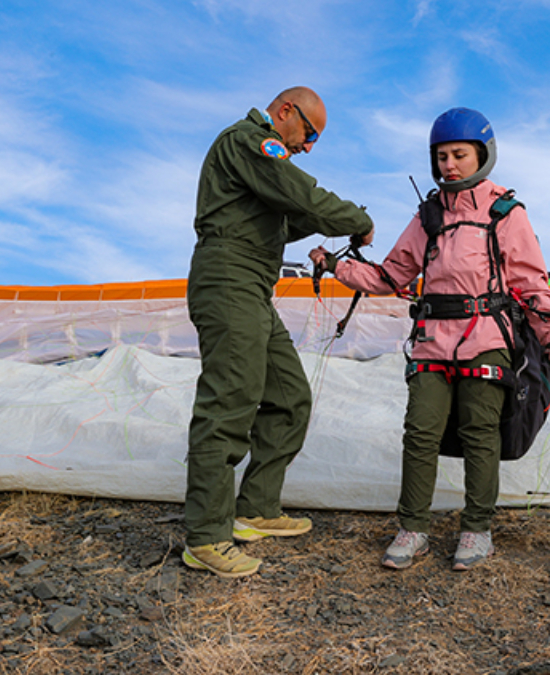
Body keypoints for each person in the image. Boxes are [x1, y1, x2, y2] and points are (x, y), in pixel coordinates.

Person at [309, 108, 550, 571]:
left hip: (487, 337)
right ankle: (413, 528)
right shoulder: (429, 215)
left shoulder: (505, 213)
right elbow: (391, 275)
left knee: (480, 432)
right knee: (420, 431)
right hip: (432, 339)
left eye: (459, 155)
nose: (449, 165)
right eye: (442, 156)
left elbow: (531, 284)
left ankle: (477, 530)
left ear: (482, 155)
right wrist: (337, 266)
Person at [182, 87, 375, 578]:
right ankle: (205, 536)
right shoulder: (248, 141)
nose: (307, 147)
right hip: (229, 276)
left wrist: (331, 224)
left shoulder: (259, 166)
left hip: (253, 285)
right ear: (286, 111)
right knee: (230, 400)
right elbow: (298, 191)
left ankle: (255, 509)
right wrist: (357, 218)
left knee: (289, 396)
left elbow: (285, 219)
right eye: (309, 134)